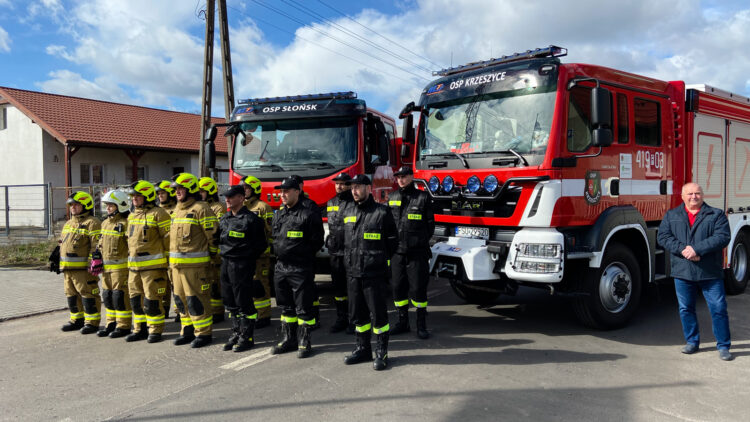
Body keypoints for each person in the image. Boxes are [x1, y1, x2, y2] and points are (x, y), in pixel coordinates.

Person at [657, 182, 733, 361]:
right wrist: (684, 250)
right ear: (682, 196)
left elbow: (722, 237)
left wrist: (697, 250)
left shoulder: (716, 214)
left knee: (718, 308)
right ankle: (692, 342)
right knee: (686, 308)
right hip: (683, 271)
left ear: (702, 195)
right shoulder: (672, 215)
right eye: (690, 194)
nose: (694, 197)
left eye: (697, 193)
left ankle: (723, 346)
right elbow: (663, 236)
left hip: (710, 271)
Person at [342, 174, 398, 370]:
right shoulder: (348, 211)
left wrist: (376, 260)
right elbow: (344, 241)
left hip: (374, 274)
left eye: (358, 187)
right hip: (353, 273)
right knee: (358, 315)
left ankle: (381, 352)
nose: (354, 191)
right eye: (352, 188)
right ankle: (362, 349)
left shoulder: (382, 212)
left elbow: (392, 242)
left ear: (368, 188)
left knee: (379, 315)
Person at [270, 176, 324, 358]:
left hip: (300, 268)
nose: (282, 195)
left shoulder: (308, 215)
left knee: (303, 308)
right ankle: (289, 339)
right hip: (280, 267)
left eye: (286, 191)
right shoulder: (278, 215)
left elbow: (317, 241)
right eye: (281, 191)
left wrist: (301, 255)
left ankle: (304, 341)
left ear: (297, 191)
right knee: (286, 308)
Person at [170, 173, 219, 348]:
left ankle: (203, 333)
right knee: (181, 300)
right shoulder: (177, 209)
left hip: (196, 268)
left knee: (196, 300)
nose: (177, 192)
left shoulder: (201, 208)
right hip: (177, 267)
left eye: (180, 189)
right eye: (176, 189)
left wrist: (212, 258)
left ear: (190, 189)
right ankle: (187, 330)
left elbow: (213, 236)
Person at [217, 185, 267, 352]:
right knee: (230, 300)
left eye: (231, 197)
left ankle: (247, 336)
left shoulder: (252, 220)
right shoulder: (225, 218)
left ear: (241, 198)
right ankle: (236, 332)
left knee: (243, 301)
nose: (227, 200)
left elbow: (261, 245)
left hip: (242, 265)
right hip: (226, 263)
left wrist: (246, 259)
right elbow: (218, 240)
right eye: (226, 197)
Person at [388, 166, 435, 339]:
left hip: (416, 253)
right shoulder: (392, 197)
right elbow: (388, 224)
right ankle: (403, 322)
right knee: (397, 288)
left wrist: (417, 242)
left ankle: (421, 325)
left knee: (418, 289)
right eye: (398, 177)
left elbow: (430, 226)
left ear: (411, 177)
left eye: (404, 176)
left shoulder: (423, 197)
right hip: (397, 253)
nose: (400, 180)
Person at [125, 181, 171, 343]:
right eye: (133, 196)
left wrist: (168, 264)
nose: (134, 199)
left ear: (148, 196)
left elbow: (168, 240)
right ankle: (140, 329)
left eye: (138, 196)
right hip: (133, 268)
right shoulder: (132, 215)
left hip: (153, 268)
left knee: (152, 301)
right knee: (135, 301)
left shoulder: (159, 214)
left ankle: (155, 330)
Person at [58, 191, 102, 334]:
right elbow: (63, 243)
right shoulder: (69, 223)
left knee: (88, 294)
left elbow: (96, 245)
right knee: (71, 295)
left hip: (84, 269)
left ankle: (92, 323)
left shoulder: (92, 223)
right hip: (68, 268)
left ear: (86, 205)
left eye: (76, 205)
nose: (73, 207)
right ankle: (77, 320)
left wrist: (92, 263)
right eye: (71, 205)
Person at [96, 190, 132, 338]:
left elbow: (131, 246)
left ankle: (123, 325)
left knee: (120, 297)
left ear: (120, 206)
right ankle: (111, 323)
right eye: (107, 205)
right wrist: (96, 256)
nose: (108, 208)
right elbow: (101, 243)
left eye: (111, 205)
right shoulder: (105, 223)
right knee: (108, 297)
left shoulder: (126, 224)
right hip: (106, 269)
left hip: (120, 270)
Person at [241, 175, 274, 329]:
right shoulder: (240, 206)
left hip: (260, 256)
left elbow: (271, 231)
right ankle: (252, 314)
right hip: (244, 256)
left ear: (254, 189)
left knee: (260, 285)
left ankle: (264, 315)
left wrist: (269, 250)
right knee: (247, 286)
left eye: (246, 188)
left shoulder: (263, 207)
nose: (243, 191)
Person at [289, 174, 321, 329]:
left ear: (301, 187)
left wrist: (308, 252)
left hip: (305, 256)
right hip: (291, 257)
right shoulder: (286, 207)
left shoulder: (309, 205)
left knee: (308, 287)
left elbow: (316, 234)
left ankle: (314, 317)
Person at [325, 172, 355, 333]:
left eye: (342, 183)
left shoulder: (355, 203)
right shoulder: (330, 202)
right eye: (337, 183)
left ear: (349, 185)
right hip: (335, 253)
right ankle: (341, 318)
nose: (339, 186)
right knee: (338, 289)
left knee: (352, 289)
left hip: (351, 253)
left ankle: (354, 320)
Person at [199, 176, 226, 323]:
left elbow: (218, 230)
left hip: (216, 252)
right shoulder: (201, 207)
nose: (200, 194)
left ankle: (218, 312)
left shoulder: (218, 207)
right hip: (203, 250)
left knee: (216, 284)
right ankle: (209, 310)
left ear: (210, 192)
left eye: (202, 191)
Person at [155, 179, 177, 321]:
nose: (160, 196)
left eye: (163, 193)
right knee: (162, 284)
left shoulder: (177, 209)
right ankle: (164, 309)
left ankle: (179, 311)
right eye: (158, 194)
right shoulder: (156, 211)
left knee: (176, 284)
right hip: (160, 254)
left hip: (174, 253)